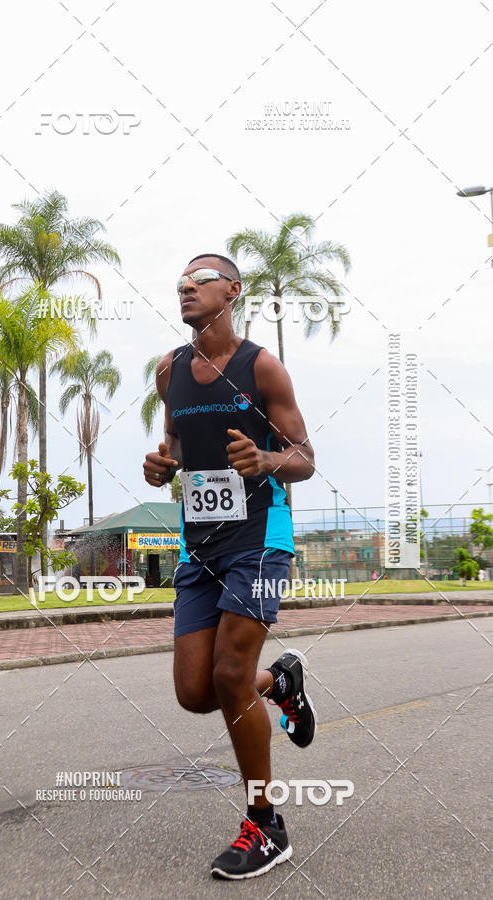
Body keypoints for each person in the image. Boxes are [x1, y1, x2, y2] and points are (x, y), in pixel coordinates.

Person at [143, 254, 317, 880]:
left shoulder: (260, 366)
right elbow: (178, 442)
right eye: (181, 280)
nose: (186, 286)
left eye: (200, 279)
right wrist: (164, 464)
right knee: (197, 691)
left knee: (227, 671)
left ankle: (264, 824)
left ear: (232, 291)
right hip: (201, 546)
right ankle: (282, 683)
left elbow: (304, 456)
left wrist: (265, 462)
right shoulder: (169, 371)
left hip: (260, 538)